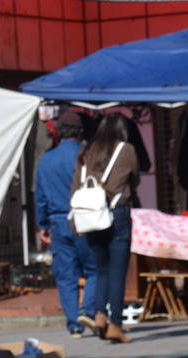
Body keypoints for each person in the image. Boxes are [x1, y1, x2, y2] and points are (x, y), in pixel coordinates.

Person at [71, 112, 140, 344]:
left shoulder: (85, 151)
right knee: (118, 273)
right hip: (117, 212)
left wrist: (74, 221)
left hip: (90, 216)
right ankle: (116, 326)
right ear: (122, 130)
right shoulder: (126, 150)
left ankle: (100, 315)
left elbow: (75, 187)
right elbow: (136, 179)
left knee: (101, 269)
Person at [35, 112, 98, 338]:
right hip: (85, 220)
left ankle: (74, 325)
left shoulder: (46, 159)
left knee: (66, 276)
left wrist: (42, 224)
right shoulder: (87, 156)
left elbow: (40, 196)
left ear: (59, 133)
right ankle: (88, 310)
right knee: (94, 269)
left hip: (58, 222)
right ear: (81, 132)